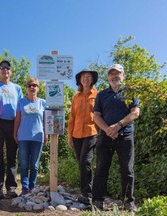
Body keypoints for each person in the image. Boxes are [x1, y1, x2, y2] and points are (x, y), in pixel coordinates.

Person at [91, 64, 140, 212]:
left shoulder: (131, 92)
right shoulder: (102, 95)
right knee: (101, 169)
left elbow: (135, 112)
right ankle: (97, 201)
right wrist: (107, 129)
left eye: (117, 73)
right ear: (108, 77)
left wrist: (118, 125)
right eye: (111, 74)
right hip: (105, 137)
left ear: (123, 75)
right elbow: (96, 115)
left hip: (125, 137)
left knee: (127, 170)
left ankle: (128, 203)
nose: (114, 76)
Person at [0, 60, 23, 199]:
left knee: (12, 157)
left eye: (7, 69)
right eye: (2, 68)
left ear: (11, 72)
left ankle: (11, 188)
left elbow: (20, 109)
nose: (5, 71)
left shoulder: (17, 88)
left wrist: (19, 126)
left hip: (13, 123)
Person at [68, 69, 98, 206]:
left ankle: (88, 194)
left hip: (91, 133)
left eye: (88, 77)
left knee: (86, 162)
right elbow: (72, 118)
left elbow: (100, 115)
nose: (86, 79)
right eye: (83, 77)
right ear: (80, 80)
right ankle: (84, 193)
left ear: (92, 80)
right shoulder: (76, 97)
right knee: (81, 164)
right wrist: (69, 136)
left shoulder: (97, 95)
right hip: (76, 134)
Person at [13, 77, 48, 196]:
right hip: (23, 137)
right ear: (26, 88)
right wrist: (14, 133)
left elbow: (45, 120)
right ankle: (25, 188)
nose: (32, 87)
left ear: (38, 88)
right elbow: (17, 119)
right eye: (29, 85)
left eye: (34, 85)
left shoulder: (43, 102)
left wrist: (46, 133)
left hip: (38, 137)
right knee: (23, 164)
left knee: (34, 165)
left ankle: (32, 187)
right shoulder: (21, 102)